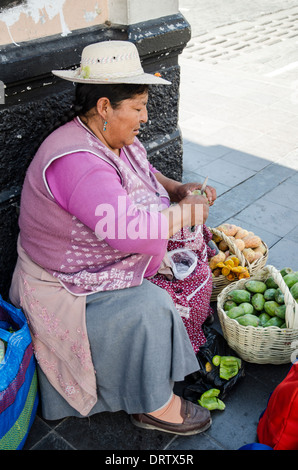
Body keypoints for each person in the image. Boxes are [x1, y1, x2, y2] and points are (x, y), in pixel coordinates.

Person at [9, 40, 217, 436]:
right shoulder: (79, 163)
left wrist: (175, 191)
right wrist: (186, 211)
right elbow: (130, 234)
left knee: (189, 256)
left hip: (93, 264)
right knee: (153, 305)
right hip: (63, 287)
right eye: (137, 107)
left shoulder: (109, 138)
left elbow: (146, 172)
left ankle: (160, 365)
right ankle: (153, 403)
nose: (144, 116)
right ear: (105, 107)